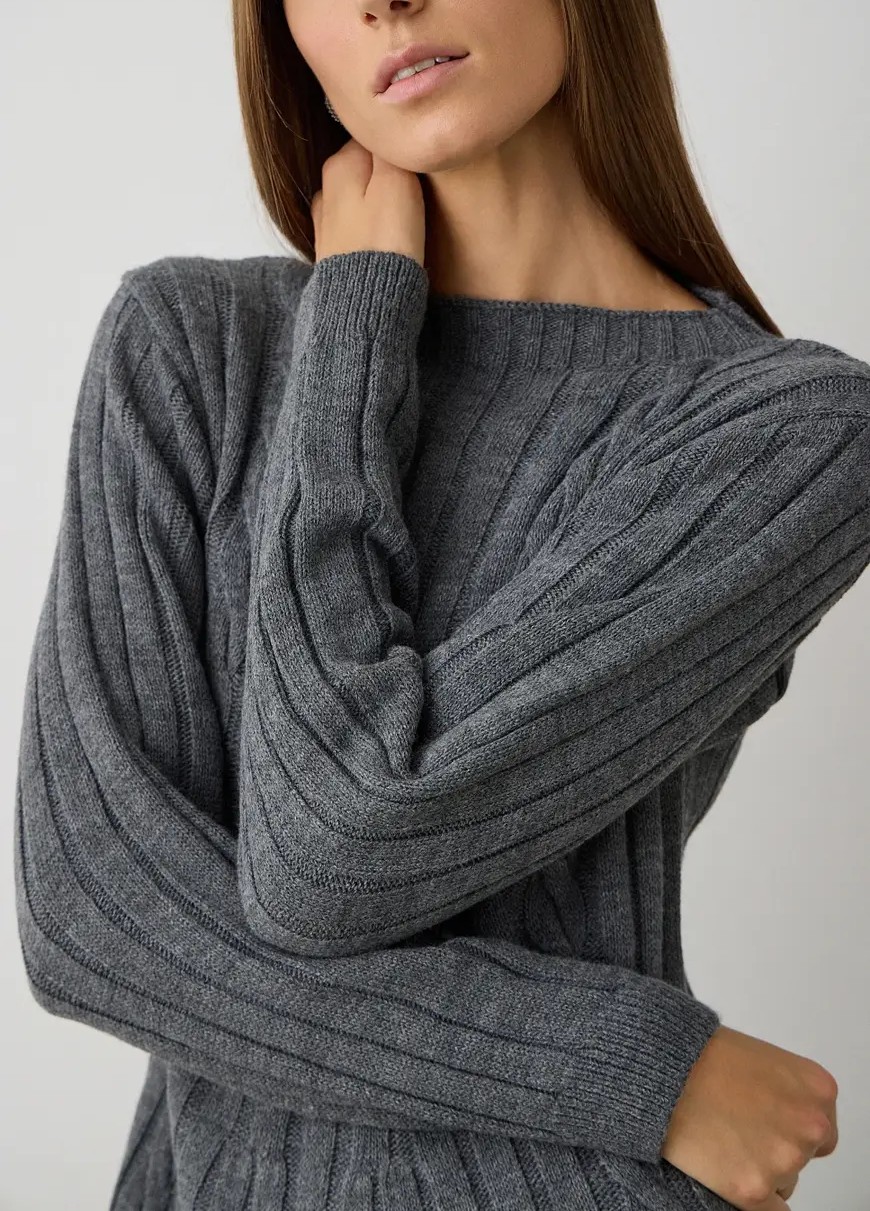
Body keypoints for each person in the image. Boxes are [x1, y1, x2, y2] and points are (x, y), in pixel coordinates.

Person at [14, 1, 867, 1208]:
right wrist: (638, 1072)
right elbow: (93, 914)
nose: (385, 0)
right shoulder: (191, 349)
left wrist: (351, 340)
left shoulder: (784, 433)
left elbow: (337, 847)